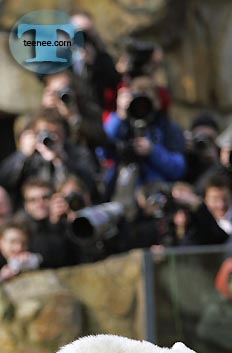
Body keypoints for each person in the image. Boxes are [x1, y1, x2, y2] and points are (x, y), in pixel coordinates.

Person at [99, 76, 186, 204]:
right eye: (138, 101)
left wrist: (153, 151)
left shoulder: (168, 128)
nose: (142, 107)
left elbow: (179, 169)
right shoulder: (122, 125)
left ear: (158, 101)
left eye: (147, 100)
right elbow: (103, 151)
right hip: (123, 195)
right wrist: (119, 115)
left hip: (159, 196)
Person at [0, 109, 100, 207]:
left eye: (56, 133)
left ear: (64, 133)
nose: (50, 138)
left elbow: (89, 186)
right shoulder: (30, 156)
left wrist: (61, 160)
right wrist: (22, 155)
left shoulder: (78, 154)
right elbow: (5, 182)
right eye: (45, 132)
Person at [19, 178, 79, 268]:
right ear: (26, 205)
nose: (40, 204)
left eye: (45, 198)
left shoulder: (68, 222)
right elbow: (46, 256)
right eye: (32, 200)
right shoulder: (21, 229)